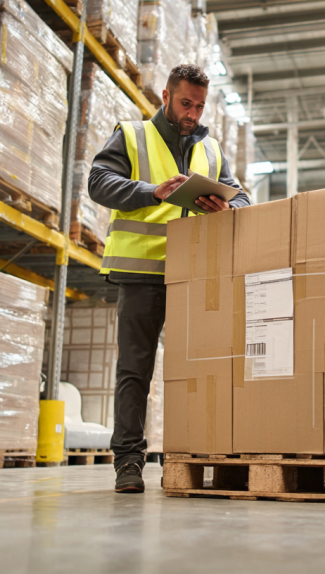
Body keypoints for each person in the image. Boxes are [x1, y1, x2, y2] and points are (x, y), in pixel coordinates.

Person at [88, 64, 250, 493]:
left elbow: (243, 195)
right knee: (135, 370)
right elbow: (98, 182)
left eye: (198, 106)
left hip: (195, 277)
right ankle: (128, 462)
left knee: (201, 369)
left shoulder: (211, 150)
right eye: (185, 103)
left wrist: (228, 207)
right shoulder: (131, 134)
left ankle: (195, 456)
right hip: (141, 271)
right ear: (165, 96)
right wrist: (151, 191)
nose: (192, 113)